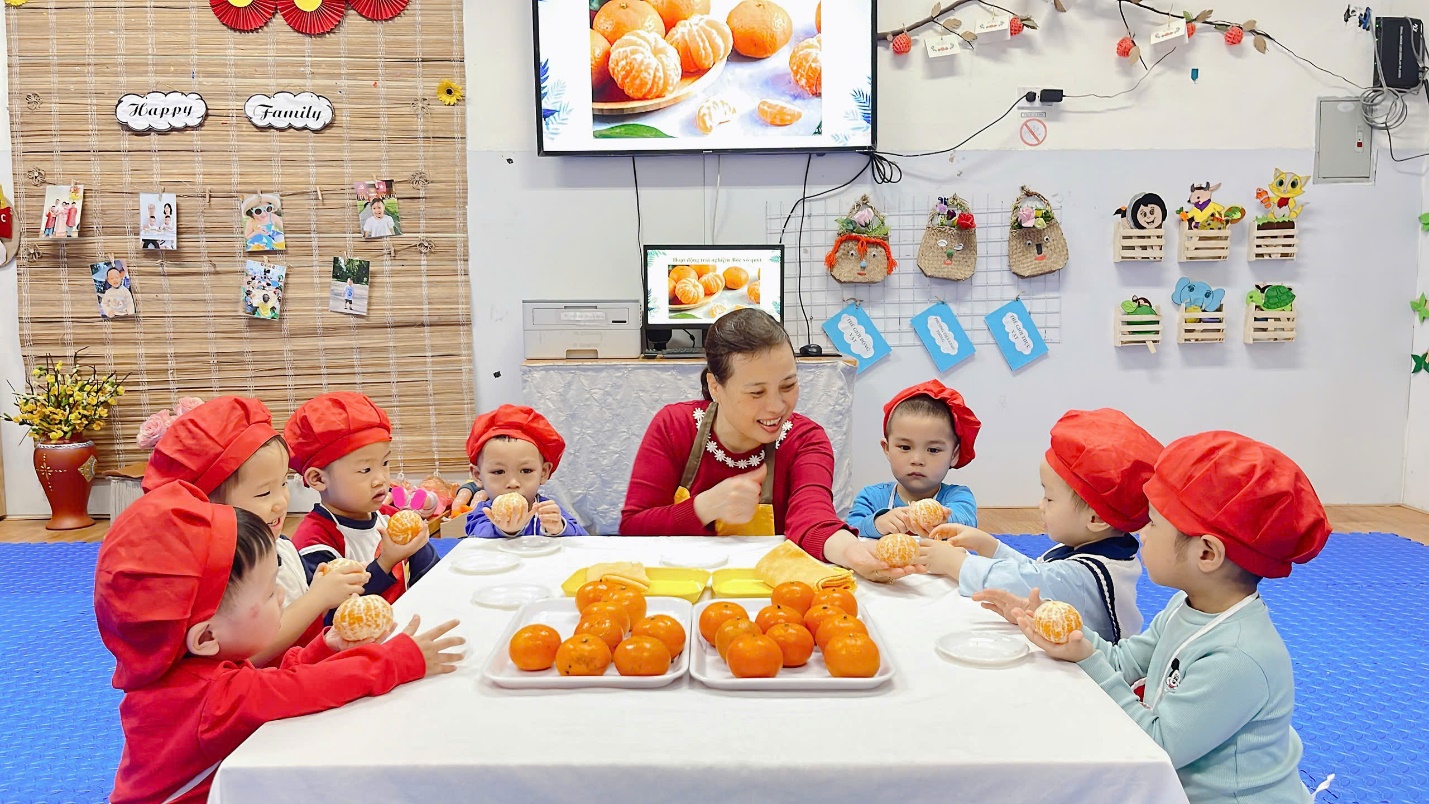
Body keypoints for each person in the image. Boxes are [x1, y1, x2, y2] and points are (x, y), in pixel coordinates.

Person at [95, 481, 464, 804]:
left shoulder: (189, 667)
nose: (283, 599)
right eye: (272, 592)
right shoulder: (213, 698)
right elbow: (302, 689)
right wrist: (397, 660)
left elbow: (268, 685)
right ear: (206, 636)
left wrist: (322, 648)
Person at [1012, 431, 1331, 803]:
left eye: (1153, 524)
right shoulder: (1187, 605)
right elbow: (1123, 661)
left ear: (1207, 554)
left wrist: (1087, 660)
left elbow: (1158, 743)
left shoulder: (1237, 657)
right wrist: (1070, 633)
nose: (1141, 535)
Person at [621, 308, 916, 583]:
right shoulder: (674, 426)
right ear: (715, 387)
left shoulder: (806, 439)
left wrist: (853, 553)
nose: (776, 406)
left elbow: (813, 515)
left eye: (788, 386)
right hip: (681, 585)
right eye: (756, 392)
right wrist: (703, 507)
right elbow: (633, 527)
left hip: (767, 591)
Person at [142, 396, 370, 665]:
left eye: (283, 484)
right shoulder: (223, 575)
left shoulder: (281, 545)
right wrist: (318, 599)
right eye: (264, 492)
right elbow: (249, 656)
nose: (281, 501)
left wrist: (320, 585)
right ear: (208, 507)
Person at [931, 408, 1163, 642]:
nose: (1040, 505)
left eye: (1049, 498)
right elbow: (1039, 573)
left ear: (1096, 519)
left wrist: (956, 563)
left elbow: (1024, 583)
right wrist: (990, 546)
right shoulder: (1101, 547)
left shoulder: (1084, 577)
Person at [287, 392, 439, 604]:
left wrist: (421, 547)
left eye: (385, 464)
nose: (381, 480)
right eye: (366, 469)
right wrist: (386, 562)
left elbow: (431, 575)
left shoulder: (392, 518)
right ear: (318, 479)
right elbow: (335, 615)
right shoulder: (315, 543)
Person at [847, 380, 981, 538]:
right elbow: (850, 530)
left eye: (933, 450)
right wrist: (876, 523)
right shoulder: (871, 497)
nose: (917, 460)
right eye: (905, 447)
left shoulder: (957, 496)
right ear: (887, 449)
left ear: (954, 455)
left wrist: (941, 519)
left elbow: (965, 523)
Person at [464, 404, 587, 537]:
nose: (513, 483)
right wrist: (505, 530)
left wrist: (560, 527)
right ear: (478, 475)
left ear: (544, 472)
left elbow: (582, 539)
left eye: (526, 470)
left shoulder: (546, 509)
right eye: (499, 472)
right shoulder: (483, 512)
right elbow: (475, 536)